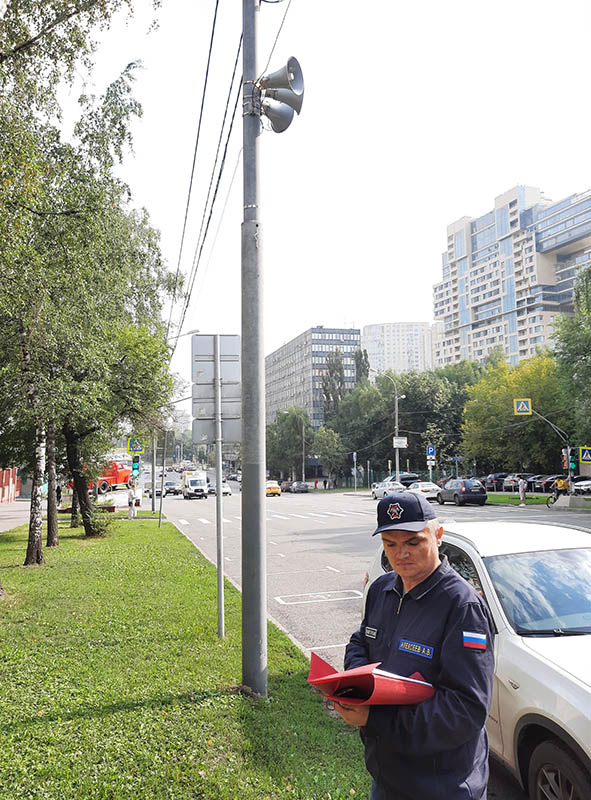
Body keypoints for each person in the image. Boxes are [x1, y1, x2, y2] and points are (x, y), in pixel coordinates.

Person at [334, 493, 494, 800]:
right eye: (390, 544)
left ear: (438, 536)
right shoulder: (382, 589)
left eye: (413, 542)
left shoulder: (462, 607)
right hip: (387, 776)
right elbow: (360, 641)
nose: (401, 554)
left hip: (442, 785)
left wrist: (373, 718)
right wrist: (357, 685)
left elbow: (466, 710)